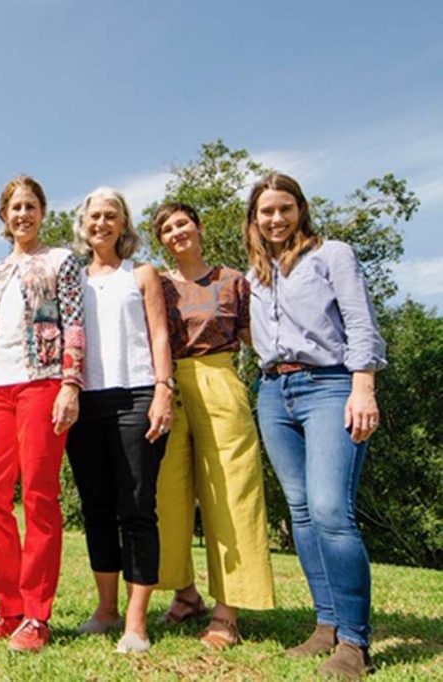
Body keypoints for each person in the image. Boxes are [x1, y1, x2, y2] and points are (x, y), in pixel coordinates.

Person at [246, 173, 385, 679]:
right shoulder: (256, 274)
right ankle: (325, 625)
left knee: (331, 509)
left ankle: (354, 643)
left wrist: (363, 386)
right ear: (254, 219)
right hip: (273, 393)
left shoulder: (333, 255)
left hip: (330, 386)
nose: (276, 218)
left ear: (300, 210)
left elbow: (360, 320)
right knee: (302, 513)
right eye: (266, 211)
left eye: (285, 208)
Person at [0, 175, 83, 653]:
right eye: (15, 208)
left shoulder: (61, 262)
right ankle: (7, 607)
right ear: (4, 217)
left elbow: (73, 323)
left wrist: (70, 383)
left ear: (43, 212)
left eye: (31, 206)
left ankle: (35, 614)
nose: (23, 215)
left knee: (39, 495)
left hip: (42, 383)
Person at [150, 202, 275, 650]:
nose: (176, 231)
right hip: (168, 387)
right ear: (161, 240)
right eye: (166, 228)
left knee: (232, 496)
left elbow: (256, 338)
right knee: (168, 497)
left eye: (182, 223)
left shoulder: (233, 280)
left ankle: (227, 613)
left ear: (198, 227)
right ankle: (184, 595)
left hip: (220, 379)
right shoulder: (158, 285)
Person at [64, 186, 172, 654]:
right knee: (96, 510)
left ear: (123, 224)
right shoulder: (71, 280)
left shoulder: (142, 274)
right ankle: (105, 610)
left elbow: (160, 334)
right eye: (94, 216)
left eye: (111, 216)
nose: (102, 223)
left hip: (137, 396)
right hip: (84, 402)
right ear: (83, 225)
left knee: (136, 508)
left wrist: (163, 390)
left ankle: (136, 622)